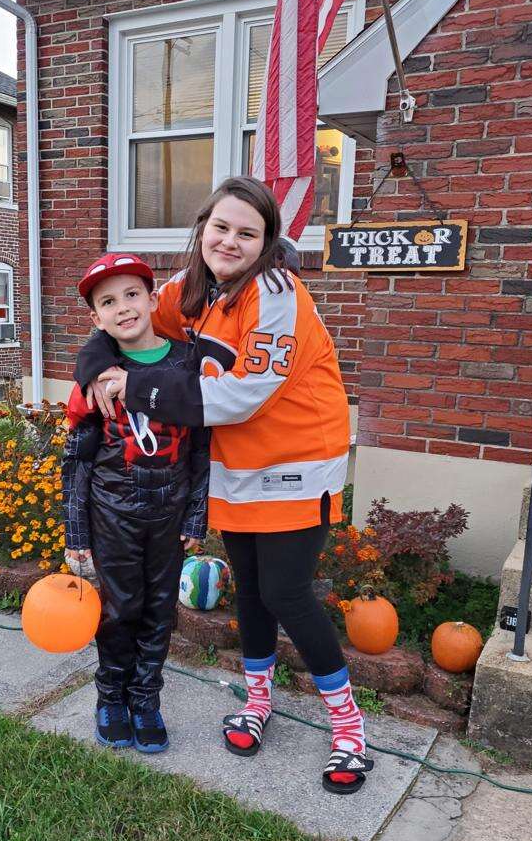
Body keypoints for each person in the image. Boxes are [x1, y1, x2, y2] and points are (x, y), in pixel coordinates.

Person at [75, 177, 372, 794]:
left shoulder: (278, 291)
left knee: (289, 593)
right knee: (253, 594)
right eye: (221, 227)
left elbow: (241, 396)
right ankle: (258, 702)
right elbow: (114, 326)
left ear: (266, 242)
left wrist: (133, 388)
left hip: (295, 463)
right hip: (233, 468)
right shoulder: (188, 291)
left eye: (248, 232)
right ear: (203, 227)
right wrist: (98, 370)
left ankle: (348, 729)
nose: (230, 241)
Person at [61, 252, 209, 754]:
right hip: (112, 514)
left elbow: (204, 447)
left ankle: (146, 699)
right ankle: (112, 698)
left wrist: (196, 512)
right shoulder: (97, 378)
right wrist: (76, 534)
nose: (123, 308)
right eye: (108, 302)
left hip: (169, 512)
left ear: (151, 299)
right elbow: (77, 461)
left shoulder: (186, 361)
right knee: (119, 609)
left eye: (131, 295)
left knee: (159, 610)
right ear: (95, 318)